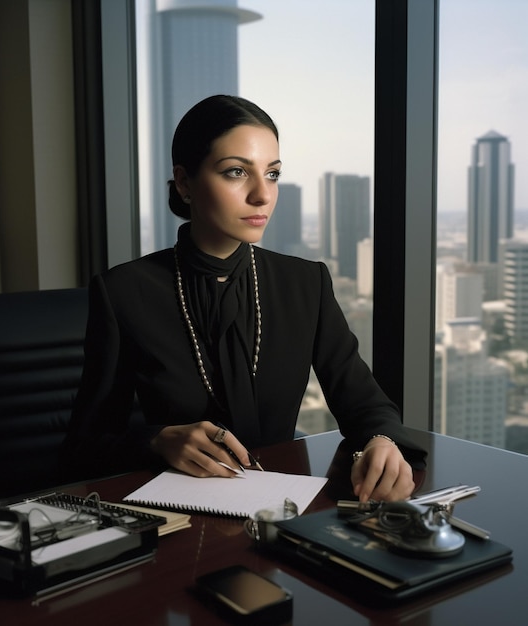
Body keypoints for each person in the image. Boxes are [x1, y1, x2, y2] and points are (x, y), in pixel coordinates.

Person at [60, 95, 426, 503]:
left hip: (282, 509)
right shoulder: (125, 292)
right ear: (184, 182)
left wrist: (380, 442)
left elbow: (365, 402)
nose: (262, 195)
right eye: (236, 172)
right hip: (179, 518)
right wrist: (157, 439)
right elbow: (84, 446)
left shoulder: (305, 282)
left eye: (272, 174)